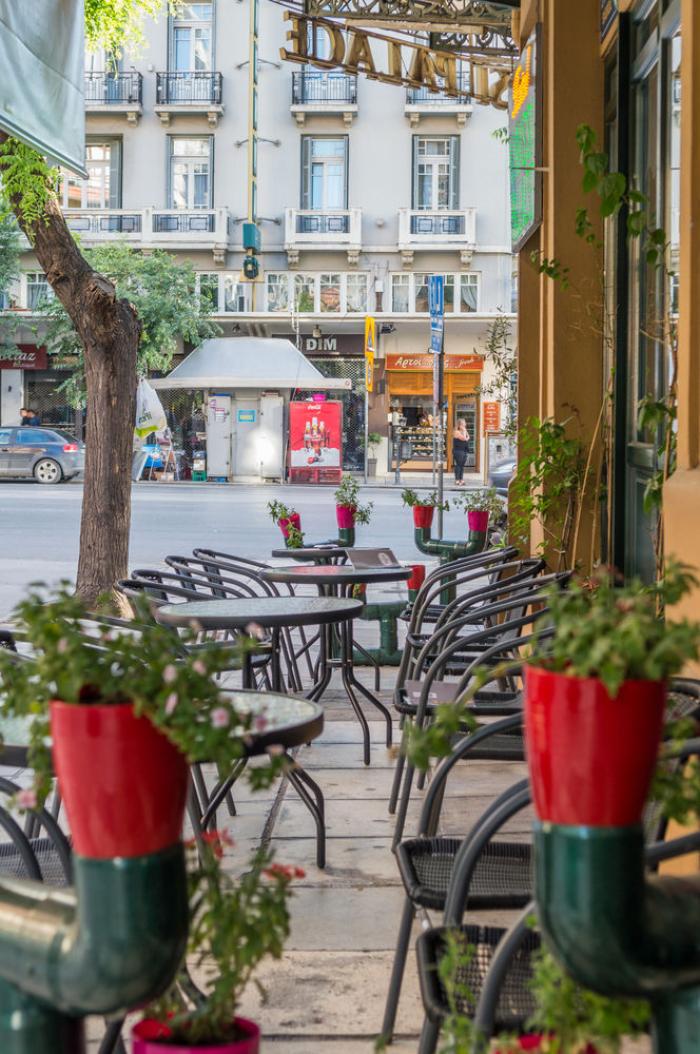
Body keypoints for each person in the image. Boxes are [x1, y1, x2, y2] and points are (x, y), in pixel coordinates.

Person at [452, 418, 470, 486]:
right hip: (458, 451)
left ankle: (461, 479)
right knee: (458, 465)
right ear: (460, 425)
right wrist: (464, 432)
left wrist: (465, 434)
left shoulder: (464, 431)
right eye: (464, 423)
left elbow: (468, 437)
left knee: (462, 465)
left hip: (464, 450)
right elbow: (464, 438)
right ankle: (457, 480)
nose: (465, 424)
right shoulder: (456, 432)